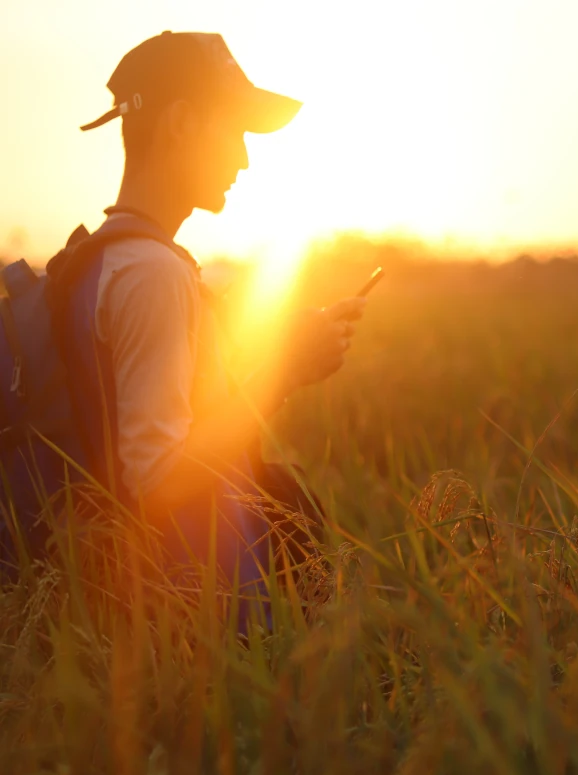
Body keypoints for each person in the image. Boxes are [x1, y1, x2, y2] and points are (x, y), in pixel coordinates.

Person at [51, 32, 364, 595]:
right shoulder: (153, 272)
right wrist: (281, 374)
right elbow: (156, 478)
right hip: (187, 620)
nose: (244, 157)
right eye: (235, 130)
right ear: (181, 124)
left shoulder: (101, 260)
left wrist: (284, 357)